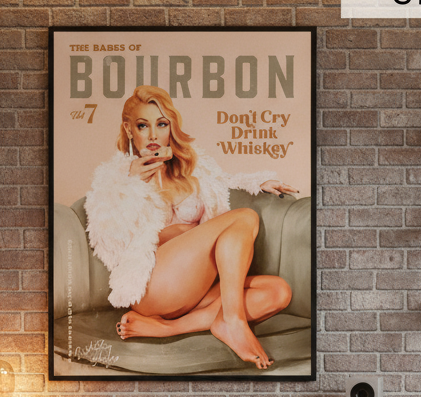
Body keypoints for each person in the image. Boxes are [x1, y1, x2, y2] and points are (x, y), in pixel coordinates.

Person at [84, 86, 298, 370]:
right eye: (142, 125)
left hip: (194, 289)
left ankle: (170, 328)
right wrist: (128, 182)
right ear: (129, 129)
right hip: (153, 287)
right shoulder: (113, 182)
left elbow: (223, 180)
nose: (152, 135)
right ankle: (233, 321)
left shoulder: (194, 171)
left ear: (170, 126)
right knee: (245, 217)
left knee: (278, 292)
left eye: (161, 124)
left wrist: (258, 182)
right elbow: (108, 238)